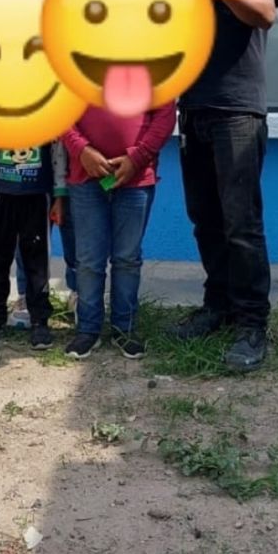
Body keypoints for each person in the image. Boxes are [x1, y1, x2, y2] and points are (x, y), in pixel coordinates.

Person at [169, 0, 278, 371]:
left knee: (241, 224)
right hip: (193, 107)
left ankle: (252, 324)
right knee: (204, 218)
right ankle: (218, 306)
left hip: (237, 110)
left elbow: (265, 13)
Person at [61, 99, 177, 360]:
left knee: (127, 258)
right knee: (89, 260)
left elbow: (165, 115)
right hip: (85, 176)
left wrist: (138, 156)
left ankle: (124, 329)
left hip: (136, 178)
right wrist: (81, 150)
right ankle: (88, 330)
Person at [0, 141, 67, 349]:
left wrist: (59, 197)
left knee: (37, 261)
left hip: (37, 196)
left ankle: (39, 320)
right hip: (2, 194)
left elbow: (58, 157)